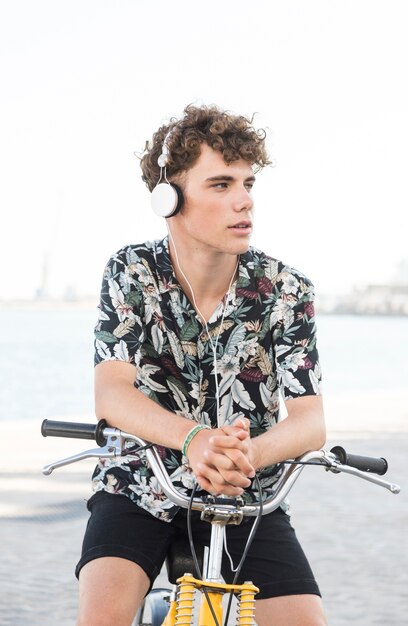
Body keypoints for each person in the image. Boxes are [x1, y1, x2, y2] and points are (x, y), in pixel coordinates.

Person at [75, 104, 328, 626]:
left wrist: (243, 457)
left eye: (248, 182)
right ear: (169, 197)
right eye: (220, 184)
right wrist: (196, 441)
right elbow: (113, 394)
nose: (244, 201)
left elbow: (310, 422)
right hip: (141, 486)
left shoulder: (287, 289)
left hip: (246, 496)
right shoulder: (132, 272)